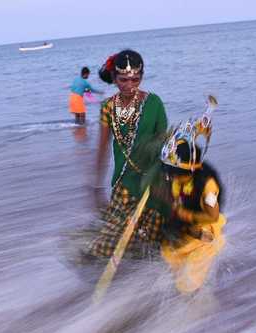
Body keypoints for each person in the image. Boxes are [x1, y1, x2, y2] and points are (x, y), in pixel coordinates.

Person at [85, 49, 169, 260]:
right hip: (125, 185)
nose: (130, 85)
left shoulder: (154, 103)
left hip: (155, 186)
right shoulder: (108, 108)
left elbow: (165, 145)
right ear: (114, 78)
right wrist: (96, 187)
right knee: (106, 248)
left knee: (152, 245)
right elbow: (103, 148)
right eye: (123, 79)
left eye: (135, 79)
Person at [159, 104, 226, 294]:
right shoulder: (177, 178)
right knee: (169, 254)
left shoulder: (207, 187)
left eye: (173, 172)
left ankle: (196, 295)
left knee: (190, 281)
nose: (169, 176)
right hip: (186, 221)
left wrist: (187, 216)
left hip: (204, 224)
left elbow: (212, 215)